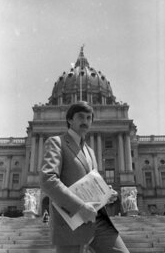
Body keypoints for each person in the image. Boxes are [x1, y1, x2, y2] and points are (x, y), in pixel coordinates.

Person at [40, 101, 130, 253]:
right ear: (69, 120)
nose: (85, 121)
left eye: (89, 118)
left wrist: (106, 193)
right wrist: (80, 207)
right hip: (71, 221)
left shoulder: (90, 151)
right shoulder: (56, 142)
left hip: (98, 219)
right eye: (81, 117)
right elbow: (47, 179)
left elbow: (91, 182)